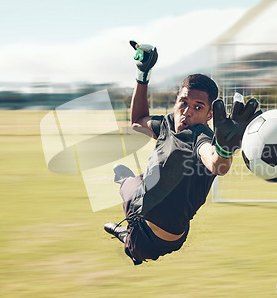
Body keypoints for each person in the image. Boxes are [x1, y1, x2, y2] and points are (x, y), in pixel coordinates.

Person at [104, 40, 261, 265]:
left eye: (198, 107)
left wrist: (225, 149)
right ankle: (127, 192)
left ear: (209, 115)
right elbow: (138, 121)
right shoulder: (169, 123)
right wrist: (143, 74)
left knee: (127, 192)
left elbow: (217, 164)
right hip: (148, 210)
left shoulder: (201, 137)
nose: (187, 112)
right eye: (183, 103)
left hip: (156, 238)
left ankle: (125, 233)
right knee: (135, 183)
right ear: (176, 101)